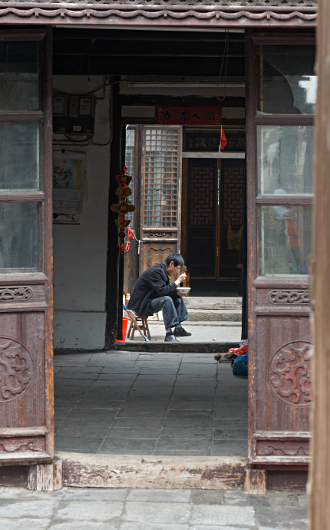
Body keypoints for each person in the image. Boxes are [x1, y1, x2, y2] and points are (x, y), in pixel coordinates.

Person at [127, 253, 191, 343]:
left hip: (150, 301)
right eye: (177, 269)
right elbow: (163, 292)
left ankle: (178, 328)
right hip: (142, 305)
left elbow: (164, 291)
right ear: (172, 264)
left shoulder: (162, 272)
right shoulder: (155, 272)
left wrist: (177, 294)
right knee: (167, 300)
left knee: (177, 297)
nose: (177, 272)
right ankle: (169, 334)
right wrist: (178, 281)